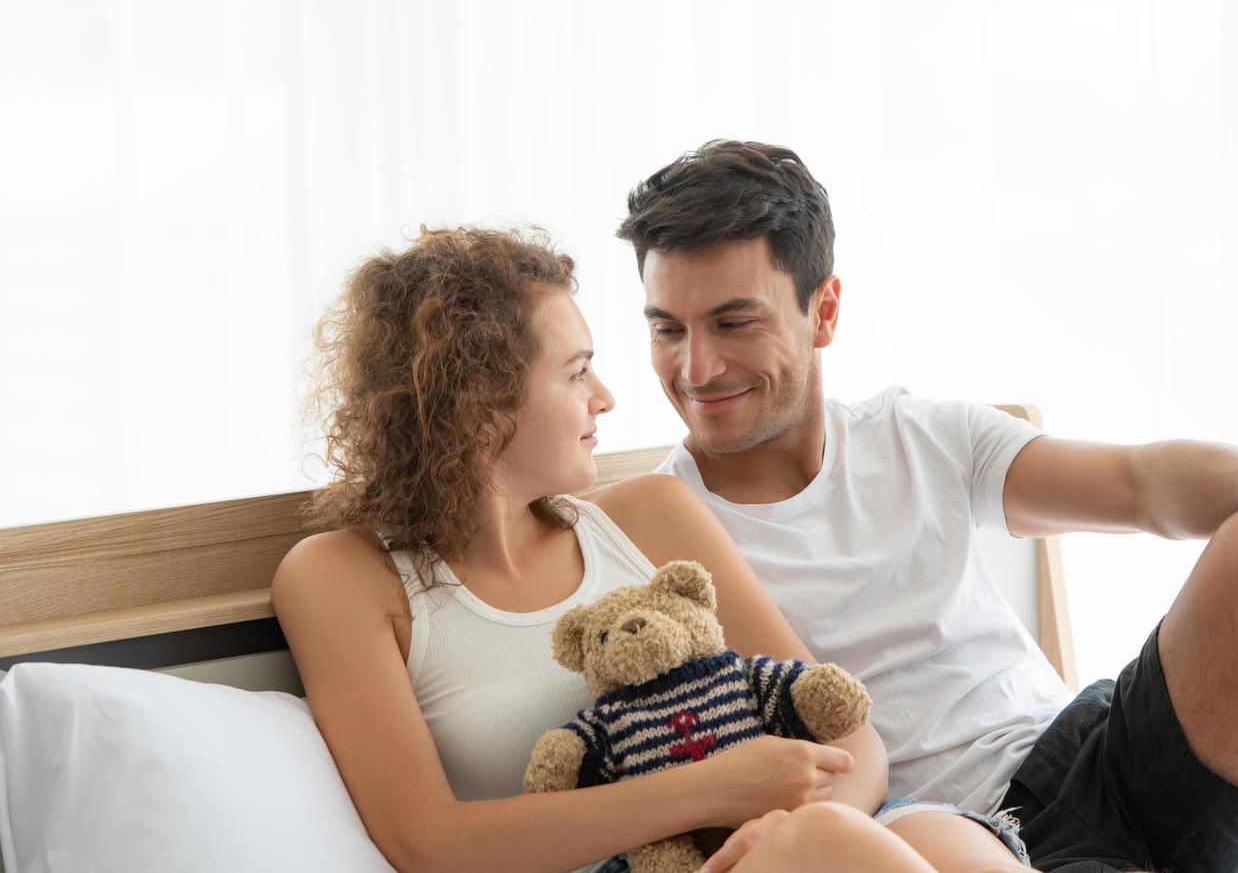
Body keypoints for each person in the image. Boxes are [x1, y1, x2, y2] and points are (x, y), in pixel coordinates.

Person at [615, 139, 1238, 873]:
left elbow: (1138, 485)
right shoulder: (658, 533)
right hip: (936, 834)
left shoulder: (916, 436)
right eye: (667, 329)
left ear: (823, 311)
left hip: (1089, 753)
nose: (696, 369)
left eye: (733, 323)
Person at [270, 226, 1034, 873]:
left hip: (788, 838)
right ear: (478, 406)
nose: (604, 397)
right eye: (576, 373)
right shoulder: (345, 577)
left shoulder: (648, 514)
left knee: (942, 837)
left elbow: (845, 731)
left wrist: (779, 830)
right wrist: (716, 791)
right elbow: (426, 840)